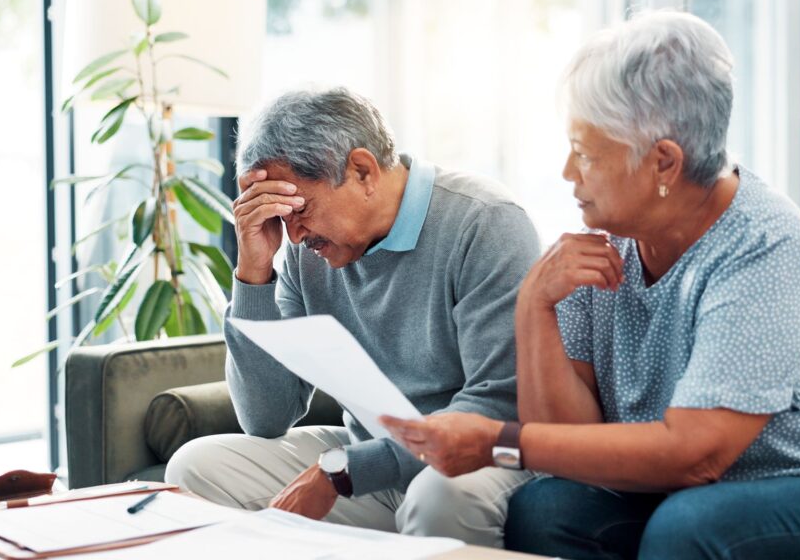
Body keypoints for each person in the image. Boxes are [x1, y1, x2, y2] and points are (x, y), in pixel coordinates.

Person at [381, 11, 800, 560]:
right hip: (727, 485)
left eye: (584, 153)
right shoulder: (609, 238)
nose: (567, 173)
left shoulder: (764, 247)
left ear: (663, 162)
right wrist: (534, 306)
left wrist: (496, 442)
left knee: (690, 527)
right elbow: (569, 447)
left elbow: (697, 454)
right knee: (545, 510)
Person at [165, 87, 540, 547]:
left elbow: (499, 402)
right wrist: (253, 272)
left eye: (298, 210)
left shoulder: (484, 222)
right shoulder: (309, 255)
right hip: (370, 458)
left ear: (362, 170)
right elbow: (265, 417)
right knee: (197, 466)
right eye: (280, 218)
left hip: (476, 460)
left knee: (437, 496)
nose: (295, 235)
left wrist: (344, 473)